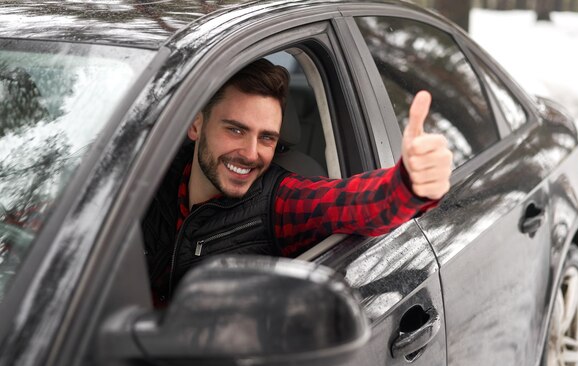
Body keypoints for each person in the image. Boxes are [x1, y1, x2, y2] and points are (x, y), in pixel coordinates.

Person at [142, 59, 452, 306]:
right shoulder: (148, 176)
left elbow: (356, 203)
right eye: (235, 130)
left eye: (266, 138)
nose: (251, 154)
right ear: (196, 125)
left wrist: (409, 184)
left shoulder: (278, 202)